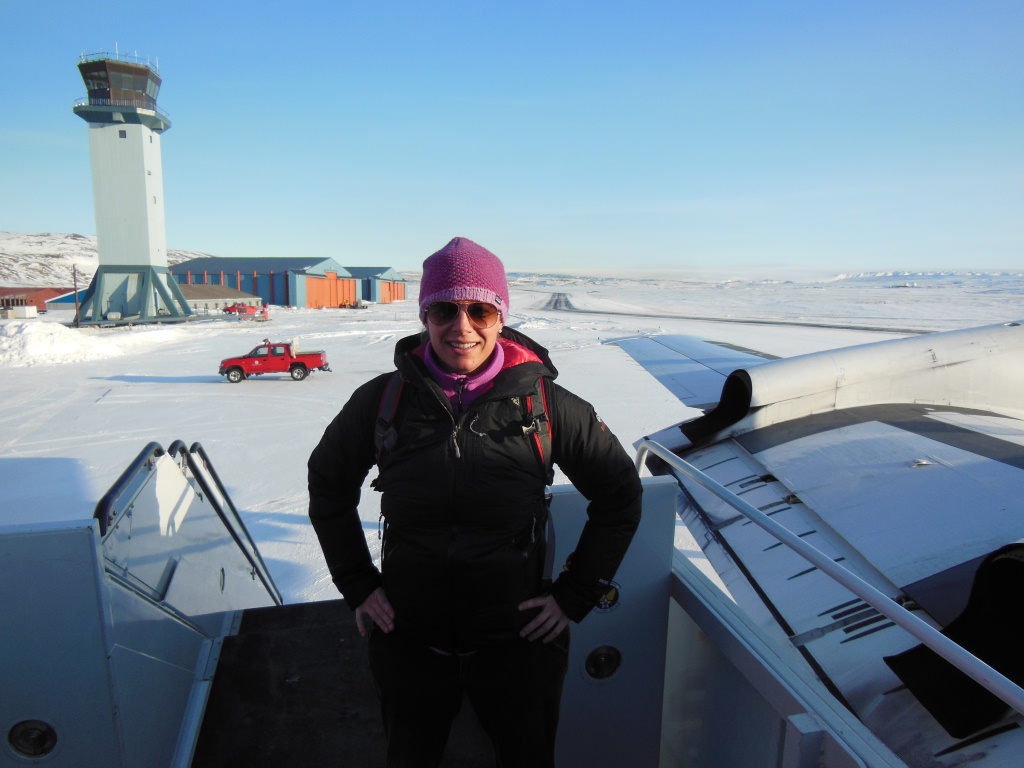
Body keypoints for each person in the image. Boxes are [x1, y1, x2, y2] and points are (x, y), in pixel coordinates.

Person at [308, 237, 642, 767]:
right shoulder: (384, 401)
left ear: (500, 316)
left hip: (517, 647)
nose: (462, 326)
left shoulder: (548, 406)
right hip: (409, 643)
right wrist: (357, 584)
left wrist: (574, 595)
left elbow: (620, 496)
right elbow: (327, 485)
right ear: (424, 316)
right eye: (444, 309)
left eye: (479, 309)